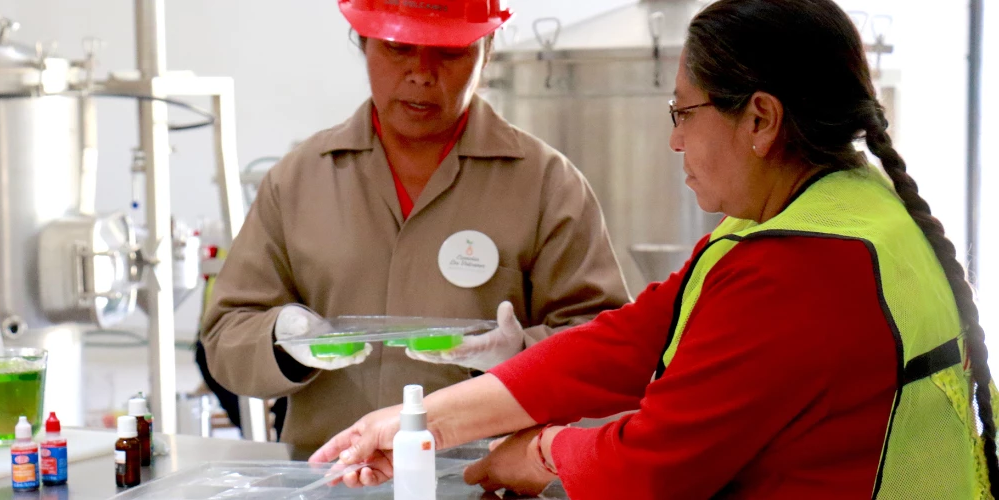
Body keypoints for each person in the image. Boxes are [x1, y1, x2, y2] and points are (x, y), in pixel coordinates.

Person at [311, 0, 999, 498]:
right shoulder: (830, 213)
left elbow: (649, 469)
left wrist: (542, 452)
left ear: (759, 119)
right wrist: (420, 422)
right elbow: (629, 341)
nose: (673, 141)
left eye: (683, 113)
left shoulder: (802, 267)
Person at [199, 0, 629, 451]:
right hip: (329, 475)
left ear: (487, 50)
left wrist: (519, 353)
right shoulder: (299, 180)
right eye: (398, 47)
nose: (422, 73)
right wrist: (280, 341)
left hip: (487, 479)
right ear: (362, 43)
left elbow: (607, 346)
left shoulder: (545, 183)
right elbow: (226, 334)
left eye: (449, 52)